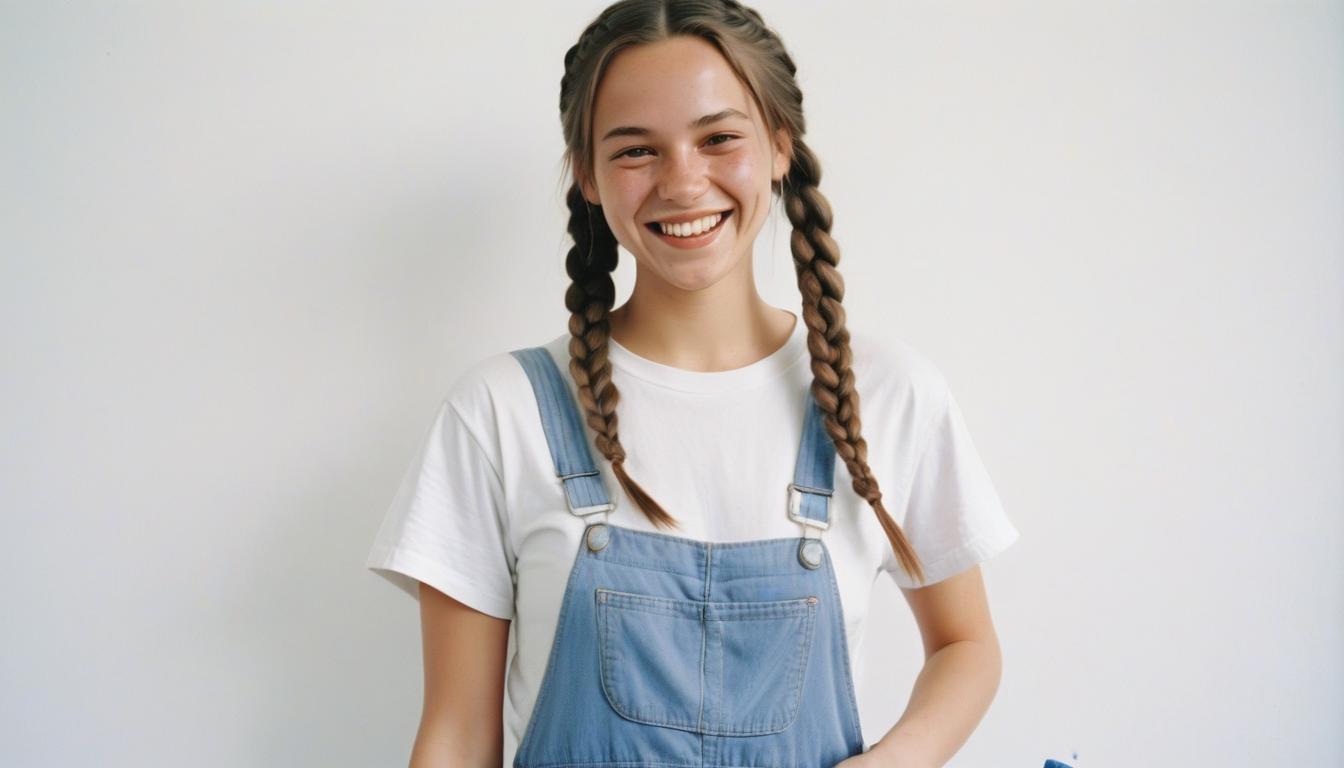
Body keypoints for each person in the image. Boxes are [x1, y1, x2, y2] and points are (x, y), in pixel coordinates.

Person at [365, 2, 1030, 766]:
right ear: (585, 174)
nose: (683, 182)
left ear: (780, 146)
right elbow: (455, 734)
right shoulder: (501, 411)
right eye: (635, 150)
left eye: (718, 138)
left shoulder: (888, 394)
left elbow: (966, 643)